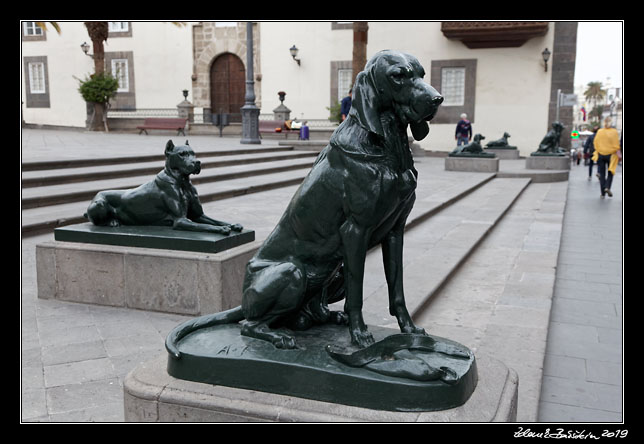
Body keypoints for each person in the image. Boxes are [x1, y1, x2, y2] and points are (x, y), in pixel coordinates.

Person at [592, 117, 621, 198]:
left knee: (602, 173)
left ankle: (602, 193)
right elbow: (616, 144)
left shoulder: (600, 132)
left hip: (601, 154)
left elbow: (595, 142)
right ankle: (607, 187)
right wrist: (618, 152)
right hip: (611, 155)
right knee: (610, 172)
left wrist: (598, 150)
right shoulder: (614, 132)